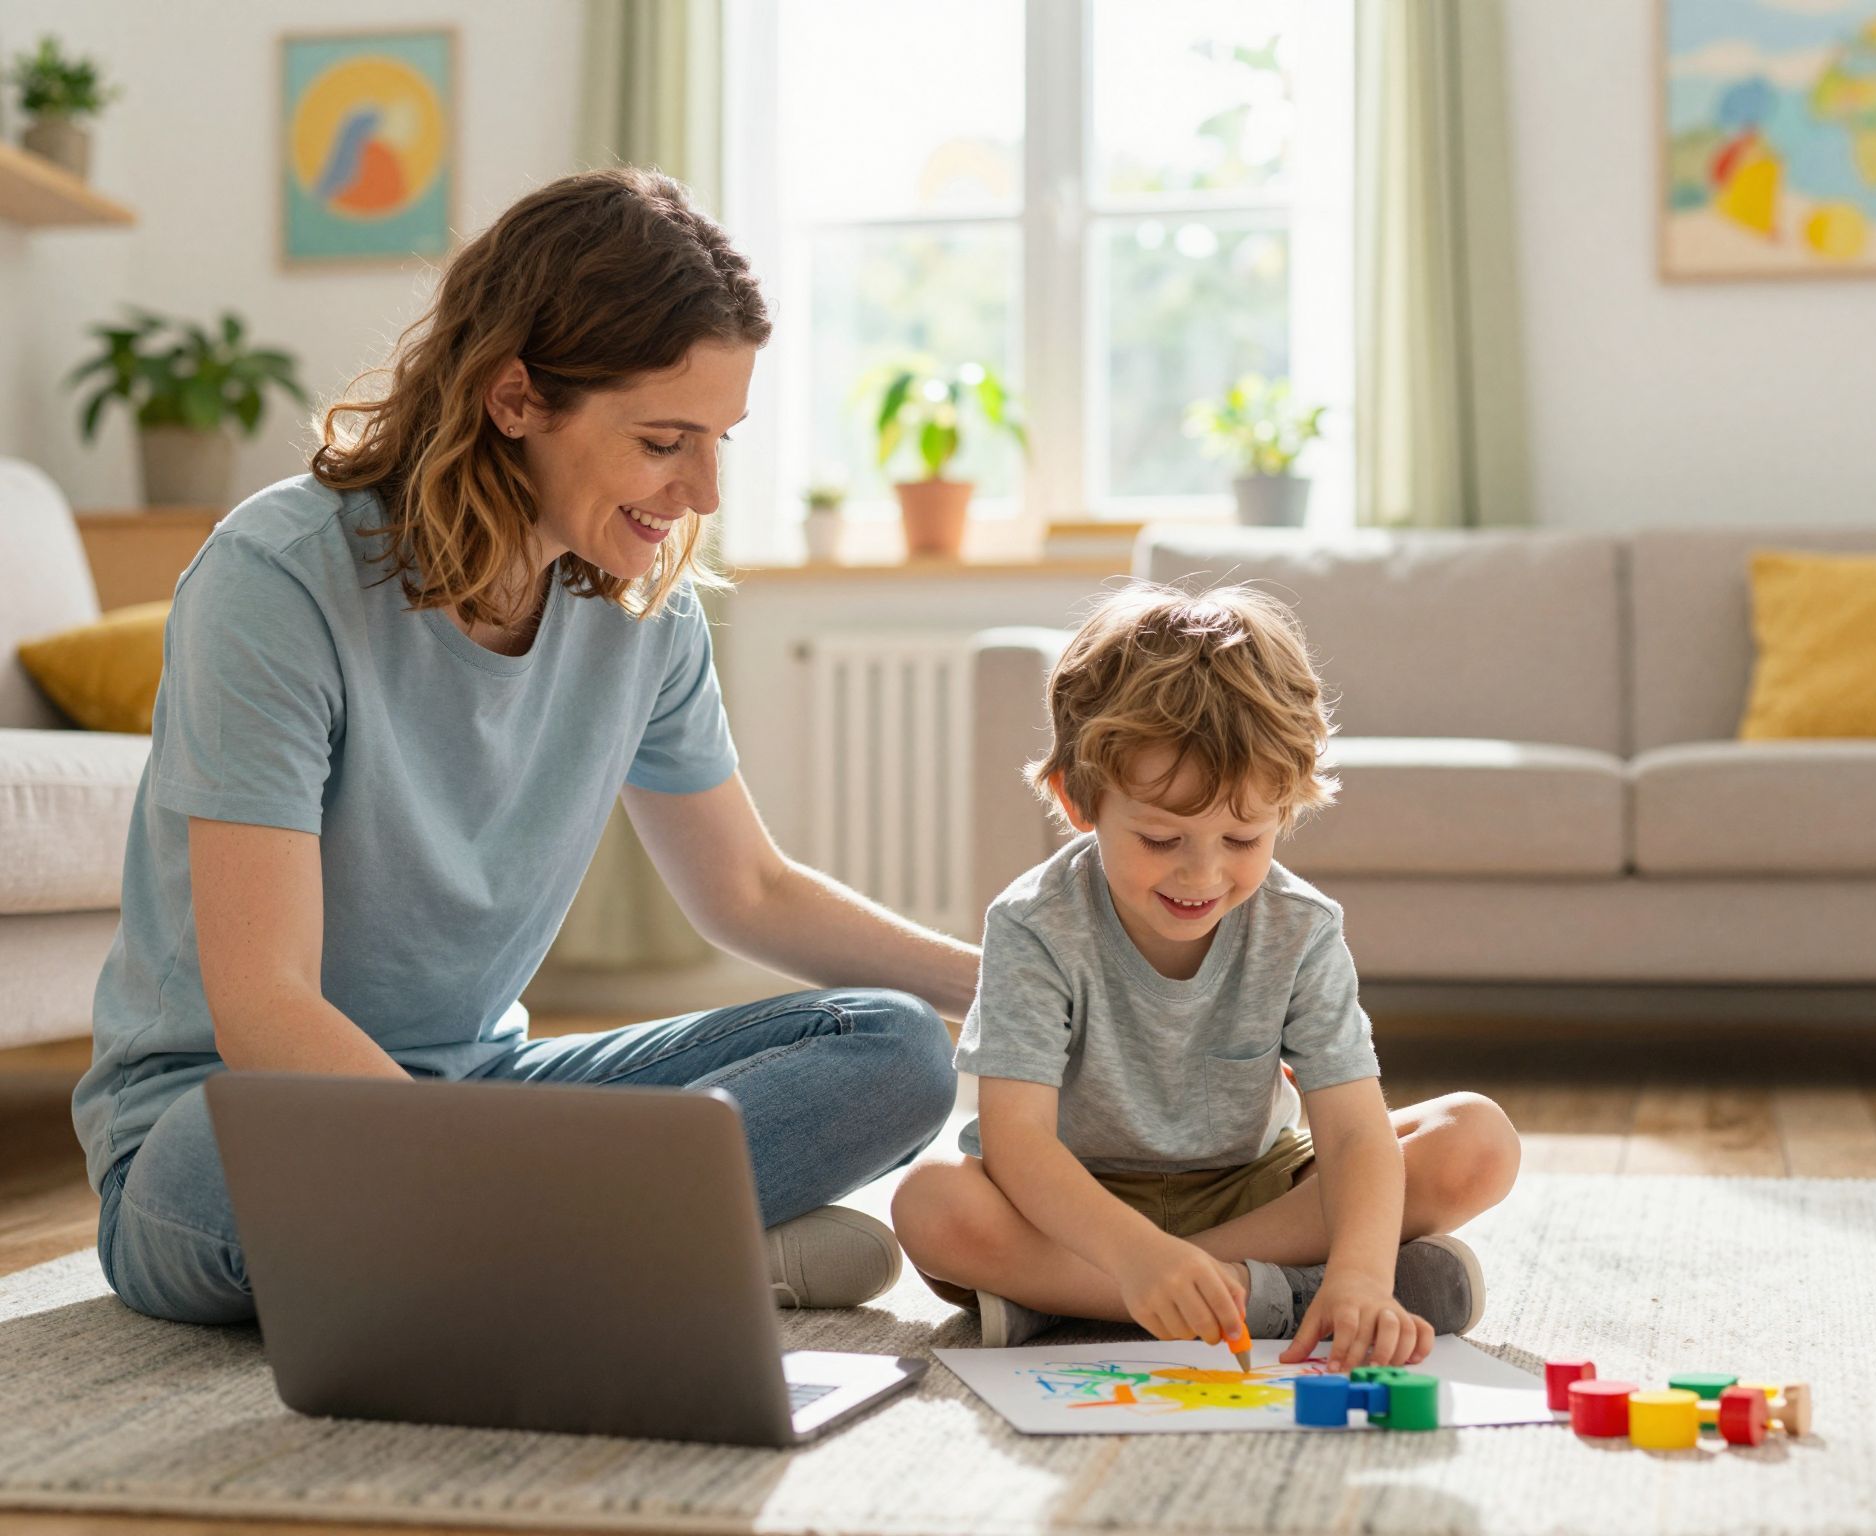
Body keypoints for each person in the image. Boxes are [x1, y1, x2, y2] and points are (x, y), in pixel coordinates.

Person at [72, 168, 975, 1327]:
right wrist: (478, 1166)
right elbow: (263, 1005)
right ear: (514, 398)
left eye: (718, 442)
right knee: (221, 1173)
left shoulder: (646, 615)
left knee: (891, 1045)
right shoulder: (277, 579)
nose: (702, 491)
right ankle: (658, 1246)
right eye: (664, 440)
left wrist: (1015, 989)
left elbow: (747, 890)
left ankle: (549, 1252)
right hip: (236, 1106)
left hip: (487, 1091)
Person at [890, 583, 1522, 1370]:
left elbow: (1354, 1130)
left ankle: (1070, 1299)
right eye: (1161, 839)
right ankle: (1275, 1296)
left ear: (1285, 808)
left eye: (1242, 839)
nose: (1202, 874)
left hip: (1253, 1186)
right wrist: (1136, 1255)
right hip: (1078, 1205)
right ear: (1079, 800)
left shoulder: (1300, 928)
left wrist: (1361, 1276)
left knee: (1475, 1141)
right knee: (931, 1202)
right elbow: (1019, 1145)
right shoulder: (1033, 924)